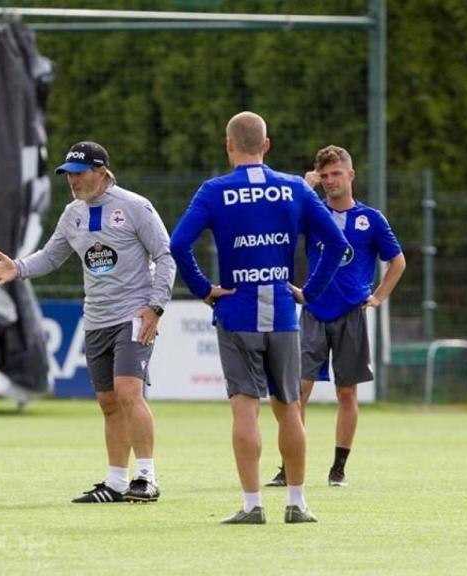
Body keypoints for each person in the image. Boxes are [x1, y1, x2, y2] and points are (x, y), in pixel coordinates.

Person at [169, 112, 348, 524]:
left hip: (235, 312)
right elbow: (337, 244)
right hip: (284, 314)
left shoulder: (214, 192)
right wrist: (309, 292)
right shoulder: (294, 189)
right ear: (266, 145)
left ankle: (252, 506)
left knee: (245, 410)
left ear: (229, 145)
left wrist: (204, 289)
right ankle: (298, 503)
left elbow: (179, 244)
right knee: (288, 407)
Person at [0, 141, 176, 504]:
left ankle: (147, 478)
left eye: (78, 174)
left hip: (133, 316)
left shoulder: (135, 207)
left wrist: (155, 307)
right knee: (107, 402)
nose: (71, 181)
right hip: (96, 320)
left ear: (101, 172)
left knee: (128, 393)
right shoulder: (72, 213)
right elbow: (52, 256)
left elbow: (165, 256)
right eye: (68, 175)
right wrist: (18, 268)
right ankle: (116, 482)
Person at [265, 145, 405, 488]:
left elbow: (397, 261)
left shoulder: (370, 219)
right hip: (313, 311)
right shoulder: (313, 213)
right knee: (298, 391)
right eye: (324, 175)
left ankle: (338, 468)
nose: (330, 181)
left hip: (351, 314)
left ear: (351, 175)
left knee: (347, 393)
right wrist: (305, 186)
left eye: (335, 174)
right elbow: (280, 222)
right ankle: (288, 467)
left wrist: (378, 297)